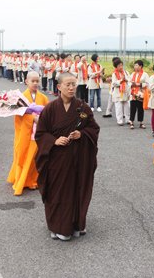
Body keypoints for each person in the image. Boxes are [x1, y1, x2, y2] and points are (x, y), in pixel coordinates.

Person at [35, 72, 100, 241]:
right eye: (68, 85)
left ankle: (77, 224)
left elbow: (94, 129)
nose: (71, 88)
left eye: (74, 84)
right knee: (57, 192)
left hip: (78, 159)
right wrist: (54, 141)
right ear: (59, 87)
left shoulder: (82, 108)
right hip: (57, 160)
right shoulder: (50, 109)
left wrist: (82, 134)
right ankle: (58, 226)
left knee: (77, 190)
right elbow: (41, 134)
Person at [7, 71, 49, 196]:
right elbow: (18, 115)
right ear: (26, 81)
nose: (35, 83)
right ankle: (22, 181)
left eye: (37, 81)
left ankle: (33, 180)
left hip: (39, 133)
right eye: (33, 81)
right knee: (24, 156)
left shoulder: (43, 97)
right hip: (26, 133)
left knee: (35, 158)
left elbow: (48, 113)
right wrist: (33, 118)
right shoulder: (21, 98)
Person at [129, 60, 149, 129]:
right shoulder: (132, 74)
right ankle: (131, 121)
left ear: (141, 66)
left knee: (140, 108)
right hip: (133, 94)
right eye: (134, 65)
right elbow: (129, 82)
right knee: (132, 108)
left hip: (141, 94)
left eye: (136, 65)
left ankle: (141, 122)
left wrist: (138, 84)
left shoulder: (145, 74)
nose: (135, 67)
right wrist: (131, 84)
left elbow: (147, 84)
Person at [111, 59, 131, 125]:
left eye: (121, 65)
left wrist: (126, 80)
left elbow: (129, 80)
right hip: (118, 92)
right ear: (116, 67)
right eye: (119, 66)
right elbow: (114, 83)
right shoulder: (114, 74)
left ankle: (127, 119)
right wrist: (121, 80)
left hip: (125, 91)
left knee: (127, 106)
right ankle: (120, 120)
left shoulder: (126, 72)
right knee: (118, 107)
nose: (121, 67)